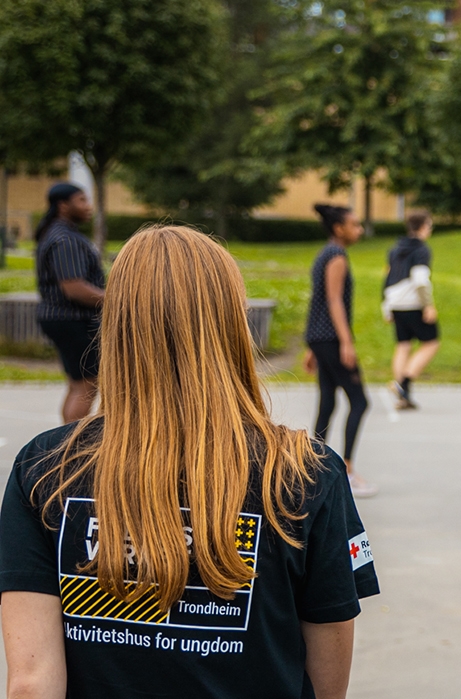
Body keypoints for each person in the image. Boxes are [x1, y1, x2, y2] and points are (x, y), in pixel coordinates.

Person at [0, 225, 379, 697]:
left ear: (116, 324)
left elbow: (33, 684)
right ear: (231, 324)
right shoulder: (306, 469)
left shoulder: (46, 468)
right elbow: (325, 683)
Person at [305, 204, 376, 498]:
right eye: (354, 225)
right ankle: (346, 470)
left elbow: (317, 300)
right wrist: (346, 342)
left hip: (321, 339)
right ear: (338, 229)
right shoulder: (336, 257)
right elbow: (333, 301)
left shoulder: (324, 253)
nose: (358, 230)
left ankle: (311, 469)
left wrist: (312, 346)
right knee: (359, 402)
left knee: (328, 402)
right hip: (331, 339)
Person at [32, 183, 104, 424]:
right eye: (82, 200)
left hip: (63, 319)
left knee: (78, 384)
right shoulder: (65, 239)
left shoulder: (56, 233)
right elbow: (74, 287)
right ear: (64, 205)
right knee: (86, 384)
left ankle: (67, 444)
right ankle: (73, 447)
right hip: (72, 319)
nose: (88, 206)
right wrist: (120, 300)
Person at [382, 211, 441, 410]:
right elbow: (420, 280)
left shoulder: (395, 249)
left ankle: (402, 398)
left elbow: (387, 278)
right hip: (413, 303)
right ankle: (403, 384)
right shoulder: (421, 250)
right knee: (431, 343)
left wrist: (386, 306)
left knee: (403, 345)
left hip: (395, 302)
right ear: (423, 227)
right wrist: (428, 305)